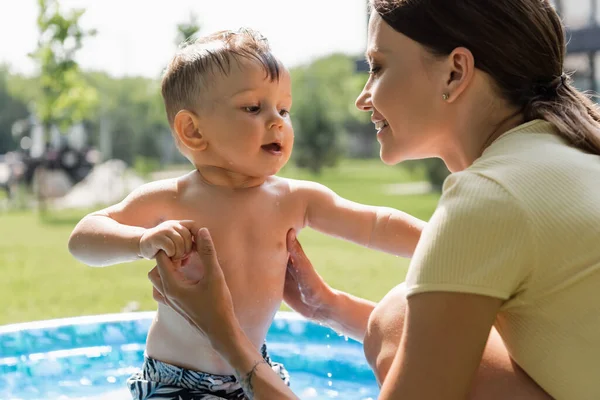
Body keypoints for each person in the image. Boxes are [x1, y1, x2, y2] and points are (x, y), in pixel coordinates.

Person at [147, 0, 600, 399]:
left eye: (378, 67)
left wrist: (225, 335)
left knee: (397, 316)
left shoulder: (489, 198)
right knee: (396, 314)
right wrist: (327, 306)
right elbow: (427, 345)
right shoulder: (568, 157)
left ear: (455, 72)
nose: (363, 98)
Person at [67, 28, 425, 400]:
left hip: (254, 370)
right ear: (192, 131)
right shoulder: (172, 198)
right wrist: (139, 241)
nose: (277, 122)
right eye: (253, 108)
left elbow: (374, 224)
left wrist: (441, 242)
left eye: (283, 110)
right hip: (176, 381)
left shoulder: (293, 198)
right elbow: (84, 237)